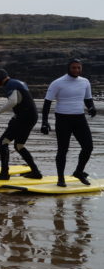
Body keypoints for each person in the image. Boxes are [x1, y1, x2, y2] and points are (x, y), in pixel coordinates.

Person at [41, 58, 96, 186]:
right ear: (68, 68)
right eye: (74, 67)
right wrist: (44, 122)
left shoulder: (85, 82)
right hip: (62, 119)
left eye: (78, 68)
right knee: (63, 150)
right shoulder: (57, 83)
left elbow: (88, 99)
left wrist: (91, 108)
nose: (76, 70)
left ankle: (78, 171)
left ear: (81, 68)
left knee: (88, 147)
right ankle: (61, 179)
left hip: (79, 118)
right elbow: (47, 103)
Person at [0, 68, 42, 180]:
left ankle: (4, 174)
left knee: (3, 142)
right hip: (31, 116)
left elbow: (13, 102)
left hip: (24, 117)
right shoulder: (17, 82)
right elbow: (22, 102)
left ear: (1, 76)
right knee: (19, 145)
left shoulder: (10, 84)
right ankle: (36, 172)